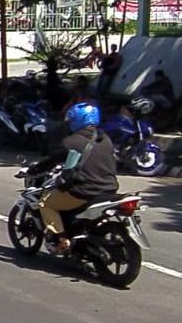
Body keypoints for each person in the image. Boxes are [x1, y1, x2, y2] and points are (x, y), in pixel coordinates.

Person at [35, 102, 119, 251]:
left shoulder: (71, 142)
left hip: (84, 191)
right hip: (109, 190)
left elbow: (51, 161)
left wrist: (34, 169)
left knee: (45, 203)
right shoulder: (105, 139)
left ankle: (61, 239)